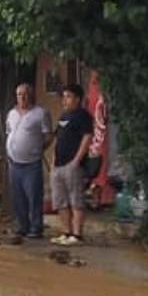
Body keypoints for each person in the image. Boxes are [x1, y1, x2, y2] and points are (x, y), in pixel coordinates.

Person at [5, 81, 52, 240]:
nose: (22, 97)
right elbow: (9, 133)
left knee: (34, 196)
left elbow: (48, 136)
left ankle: (36, 227)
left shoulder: (40, 113)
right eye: (19, 94)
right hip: (14, 163)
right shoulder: (11, 113)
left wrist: (37, 150)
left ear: (31, 95)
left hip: (31, 163)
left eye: (25, 94)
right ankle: (22, 226)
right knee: (18, 197)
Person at [50, 83, 94, 244]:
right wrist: (54, 162)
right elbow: (58, 139)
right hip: (58, 165)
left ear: (78, 99)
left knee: (76, 200)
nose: (65, 100)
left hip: (73, 165)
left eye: (68, 96)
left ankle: (77, 235)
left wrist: (76, 160)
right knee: (60, 201)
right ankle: (66, 232)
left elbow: (87, 138)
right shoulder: (63, 116)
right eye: (64, 96)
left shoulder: (83, 116)